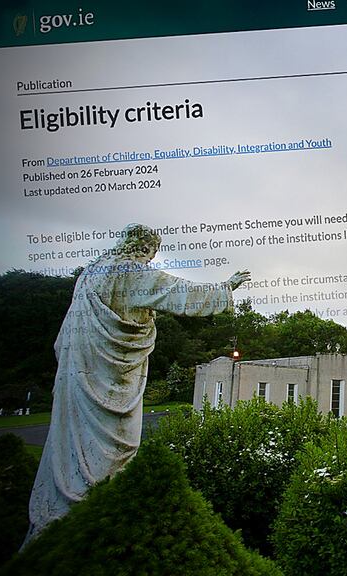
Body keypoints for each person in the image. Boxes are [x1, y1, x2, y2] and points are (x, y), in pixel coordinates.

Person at [24, 223, 250, 545]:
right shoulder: (130, 273)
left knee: (69, 445)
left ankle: (61, 513)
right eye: (153, 252)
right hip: (109, 381)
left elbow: (63, 340)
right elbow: (177, 293)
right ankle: (94, 519)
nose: (152, 258)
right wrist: (225, 289)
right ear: (145, 248)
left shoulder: (89, 274)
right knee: (113, 452)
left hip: (77, 374)